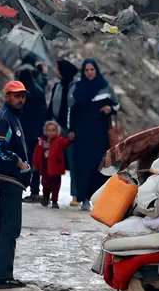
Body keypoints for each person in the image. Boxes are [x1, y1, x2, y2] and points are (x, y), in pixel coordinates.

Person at [0, 81, 33, 289]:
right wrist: (17, 161)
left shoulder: (13, 117)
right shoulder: (4, 118)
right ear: (7, 97)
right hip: (8, 178)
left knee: (2, 227)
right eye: (16, 96)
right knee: (10, 228)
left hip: (11, 179)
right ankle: (3, 276)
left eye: (22, 96)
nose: (20, 99)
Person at [69, 59, 119, 210]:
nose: (89, 73)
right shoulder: (77, 88)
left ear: (96, 70)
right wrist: (70, 130)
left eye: (92, 70)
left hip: (99, 133)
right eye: (86, 70)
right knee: (82, 166)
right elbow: (71, 111)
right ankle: (83, 197)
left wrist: (109, 109)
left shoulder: (105, 86)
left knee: (98, 165)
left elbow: (116, 104)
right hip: (82, 134)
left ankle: (96, 198)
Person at [47, 59, 80, 206]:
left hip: (71, 130)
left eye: (58, 69)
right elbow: (51, 107)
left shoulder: (77, 87)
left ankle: (75, 196)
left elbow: (78, 109)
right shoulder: (57, 86)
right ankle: (51, 195)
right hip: (57, 130)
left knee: (73, 164)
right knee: (53, 163)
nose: (56, 71)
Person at [16, 66, 47, 203]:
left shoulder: (25, 93)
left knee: (28, 160)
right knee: (34, 161)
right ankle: (33, 190)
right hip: (35, 131)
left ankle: (29, 188)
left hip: (26, 131)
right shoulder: (38, 90)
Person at [33, 121, 74, 209]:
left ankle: (54, 200)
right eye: (48, 130)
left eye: (53, 130)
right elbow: (37, 153)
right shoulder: (41, 141)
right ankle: (45, 198)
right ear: (45, 132)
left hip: (56, 168)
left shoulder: (59, 141)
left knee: (56, 185)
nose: (51, 133)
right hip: (45, 167)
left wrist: (70, 139)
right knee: (45, 183)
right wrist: (35, 164)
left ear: (57, 132)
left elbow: (65, 143)